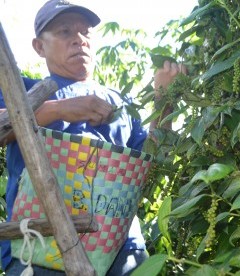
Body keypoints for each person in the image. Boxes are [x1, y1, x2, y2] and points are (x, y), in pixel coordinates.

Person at [0, 0, 185, 275]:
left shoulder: (121, 103)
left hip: (120, 248)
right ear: (39, 46)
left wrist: (164, 104)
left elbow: (150, 164)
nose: (79, 40)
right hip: (39, 247)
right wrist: (60, 109)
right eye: (64, 32)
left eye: (85, 32)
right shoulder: (22, 90)